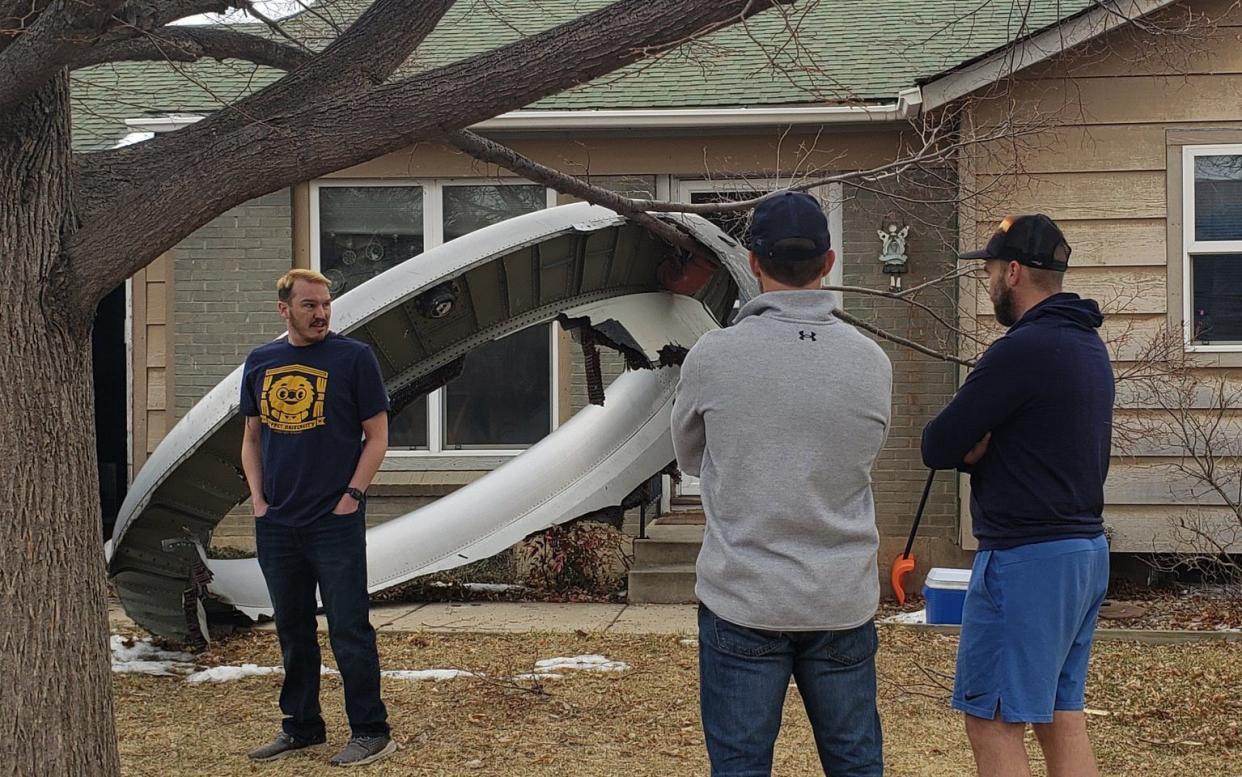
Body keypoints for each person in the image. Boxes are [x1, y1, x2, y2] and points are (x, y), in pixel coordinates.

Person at [672, 191, 893, 777]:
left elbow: (690, 459)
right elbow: (864, 453)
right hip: (841, 598)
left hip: (745, 595)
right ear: (829, 262)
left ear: (752, 262)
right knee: (855, 764)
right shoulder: (871, 360)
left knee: (741, 766)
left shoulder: (713, 357)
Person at [922, 214, 1113, 777]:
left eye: (987, 272)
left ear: (1011, 272)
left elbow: (938, 442)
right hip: (1083, 553)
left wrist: (973, 449)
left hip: (1025, 559)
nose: (986, 284)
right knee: (1061, 713)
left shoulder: (1021, 350)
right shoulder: (1086, 344)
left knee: (993, 720)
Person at [240, 269, 396, 767]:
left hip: (335, 521)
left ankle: (371, 730)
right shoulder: (262, 361)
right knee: (293, 629)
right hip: (278, 524)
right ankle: (302, 727)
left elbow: (377, 436)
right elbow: (251, 439)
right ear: (284, 309)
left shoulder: (354, 359)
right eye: (309, 305)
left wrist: (352, 495)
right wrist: (260, 502)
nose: (322, 313)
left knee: (349, 629)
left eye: (326, 303)